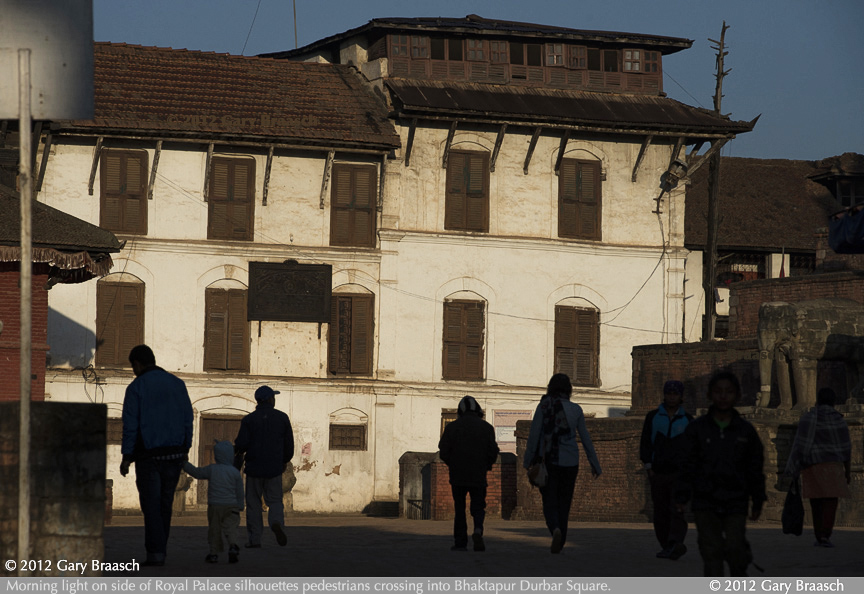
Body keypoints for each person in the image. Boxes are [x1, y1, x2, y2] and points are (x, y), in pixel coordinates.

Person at [676, 370, 766, 577]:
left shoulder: (745, 431)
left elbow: (755, 468)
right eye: (718, 392)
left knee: (736, 549)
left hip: (736, 499)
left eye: (728, 392)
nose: (723, 396)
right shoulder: (697, 429)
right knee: (711, 552)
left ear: (737, 395)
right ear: (710, 395)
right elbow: (687, 464)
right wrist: (681, 495)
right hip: (705, 500)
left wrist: (758, 500)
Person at [120, 344, 194, 567]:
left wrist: (127, 456)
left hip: (148, 457)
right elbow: (188, 420)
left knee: (151, 506)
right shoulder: (177, 384)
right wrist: (185, 448)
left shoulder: (136, 388)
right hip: (174, 456)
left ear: (137, 364)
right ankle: (160, 550)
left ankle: (155, 553)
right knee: (165, 505)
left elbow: (130, 425)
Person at [524, 373, 601, 554]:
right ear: (569, 390)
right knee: (564, 502)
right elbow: (586, 439)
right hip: (570, 462)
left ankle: (555, 529)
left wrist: (527, 461)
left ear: (550, 388)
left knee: (549, 500)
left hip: (549, 461)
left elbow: (534, 435)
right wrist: (594, 463)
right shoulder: (576, 410)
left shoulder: (544, 406)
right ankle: (562, 538)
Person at [784, 387, 852, 547]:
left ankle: (819, 534)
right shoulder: (839, 420)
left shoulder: (809, 418)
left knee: (816, 501)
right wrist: (847, 471)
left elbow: (800, 446)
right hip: (834, 466)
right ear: (833, 402)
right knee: (830, 501)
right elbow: (846, 448)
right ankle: (826, 534)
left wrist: (793, 467)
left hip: (813, 465)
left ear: (818, 400)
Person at [234, 385, 294, 548]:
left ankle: (254, 539)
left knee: (253, 504)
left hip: (253, 467)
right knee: (275, 501)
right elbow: (289, 445)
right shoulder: (282, 418)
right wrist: (284, 461)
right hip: (274, 467)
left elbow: (241, 444)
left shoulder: (249, 420)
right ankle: (276, 522)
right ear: (269, 399)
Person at [438, 395, 500, 552]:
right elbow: (493, 452)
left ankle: (460, 542)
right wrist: (486, 466)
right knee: (478, 507)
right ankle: (478, 530)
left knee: (460, 509)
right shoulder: (486, 428)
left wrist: (453, 464)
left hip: (458, 475)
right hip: (478, 474)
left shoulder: (451, 427)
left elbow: (443, 452)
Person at [639, 379, 693, 560]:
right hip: (659, 472)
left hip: (679, 474)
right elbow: (645, 444)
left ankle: (675, 542)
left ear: (680, 396)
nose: (671, 397)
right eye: (669, 393)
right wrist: (649, 468)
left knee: (677, 509)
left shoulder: (688, 420)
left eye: (675, 394)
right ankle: (666, 545)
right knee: (661, 512)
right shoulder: (653, 417)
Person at [184, 440, 245, 563]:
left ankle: (213, 554)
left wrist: (184, 464)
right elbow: (240, 491)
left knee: (214, 529)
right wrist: (240, 504)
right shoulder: (235, 472)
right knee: (231, 527)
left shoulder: (212, 469)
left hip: (215, 505)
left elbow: (197, 473)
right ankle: (233, 545)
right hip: (231, 506)